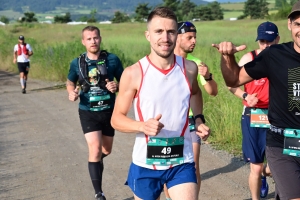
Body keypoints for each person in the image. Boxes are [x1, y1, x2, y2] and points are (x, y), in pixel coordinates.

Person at [111, 7, 210, 200]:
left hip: (181, 160)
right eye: (159, 31)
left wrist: (198, 119)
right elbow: (116, 119)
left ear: (176, 35)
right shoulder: (134, 73)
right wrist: (142, 126)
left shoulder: (189, 69)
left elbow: (195, 93)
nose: (165, 38)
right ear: (148, 35)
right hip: (146, 163)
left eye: (171, 32)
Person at [212, 2, 300, 199]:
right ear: (290, 25)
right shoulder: (275, 55)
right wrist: (228, 58)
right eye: (298, 24)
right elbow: (233, 80)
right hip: (281, 142)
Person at [66, 25, 123, 200]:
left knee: (106, 150)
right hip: (87, 111)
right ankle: (99, 193)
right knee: (95, 148)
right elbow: (70, 82)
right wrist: (71, 92)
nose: (93, 41)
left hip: (108, 112)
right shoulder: (77, 63)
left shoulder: (112, 60)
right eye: (89, 38)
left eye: (96, 37)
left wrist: (117, 86)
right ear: (83, 41)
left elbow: (126, 83)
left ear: (100, 38)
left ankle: (95, 162)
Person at [163, 21, 218, 200]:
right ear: (177, 38)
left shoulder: (195, 64)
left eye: (195, 37)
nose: (194, 41)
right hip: (169, 123)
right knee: (169, 166)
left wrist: (207, 76)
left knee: (192, 165)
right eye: (189, 37)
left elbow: (213, 91)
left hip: (192, 121)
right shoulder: (164, 61)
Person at [228, 21, 279, 200]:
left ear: (278, 39)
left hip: (277, 116)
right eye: (262, 41)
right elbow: (231, 85)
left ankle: (266, 174)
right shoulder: (249, 59)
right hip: (254, 115)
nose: (266, 45)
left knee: (276, 167)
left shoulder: (283, 59)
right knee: (255, 166)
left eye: (270, 41)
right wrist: (245, 96)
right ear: (258, 41)